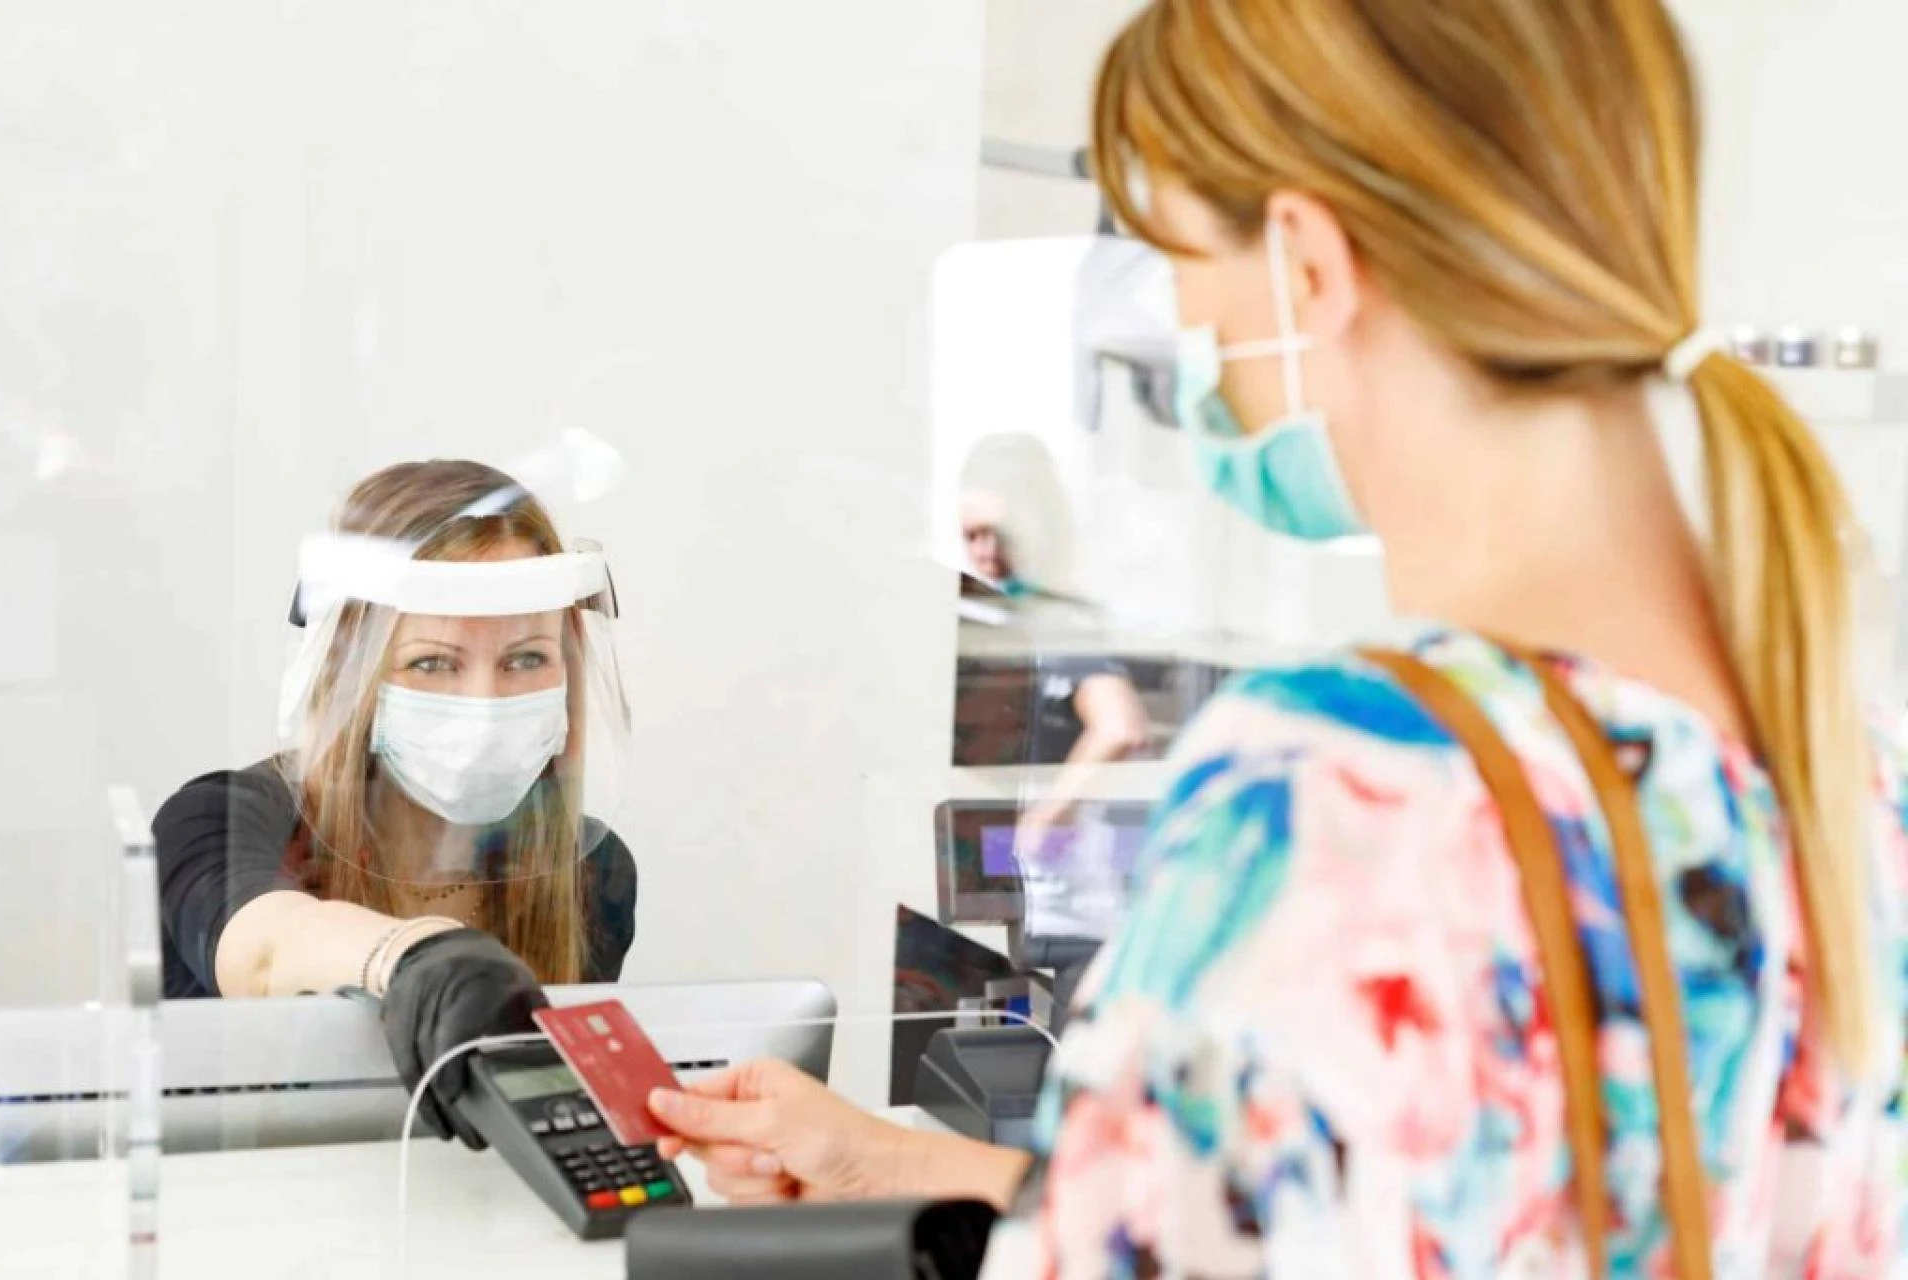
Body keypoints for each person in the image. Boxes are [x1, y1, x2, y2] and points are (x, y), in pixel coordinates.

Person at [648, 1, 1908, 1274]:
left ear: (1307, 263)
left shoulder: (1344, 789)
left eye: (1184, 266)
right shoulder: (1844, 776)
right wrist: (899, 1164)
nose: (1189, 342)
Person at [153, 459, 638, 1148]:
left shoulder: (591, 873)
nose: (484, 702)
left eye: (526, 659)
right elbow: (263, 952)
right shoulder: (221, 820)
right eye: (433, 662)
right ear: (352, 672)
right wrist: (417, 959)